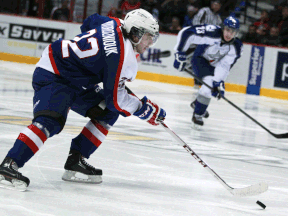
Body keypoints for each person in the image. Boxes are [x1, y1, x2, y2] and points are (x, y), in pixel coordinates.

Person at [0, 8, 166, 191]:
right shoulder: (122, 57)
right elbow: (117, 101)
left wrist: (90, 60)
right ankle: (9, 165)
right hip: (55, 74)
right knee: (50, 120)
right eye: (149, 36)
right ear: (135, 34)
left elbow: (90, 21)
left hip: (76, 78)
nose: (150, 42)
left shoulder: (115, 23)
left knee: (107, 112)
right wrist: (143, 109)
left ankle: (75, 161)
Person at [173, 16, 243, 127]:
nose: (229, 34)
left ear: (236, 33)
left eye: (233, 32)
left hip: (214, 67)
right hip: (200, 60)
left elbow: (224, 66)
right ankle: (198, 114)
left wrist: (218, 81)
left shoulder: (236, 47)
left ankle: (198, 104)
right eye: (228, 30)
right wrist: (179, 52)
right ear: (223, 28)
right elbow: (187, 33)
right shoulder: (212, 32)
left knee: (211, 86)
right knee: (208, 87)